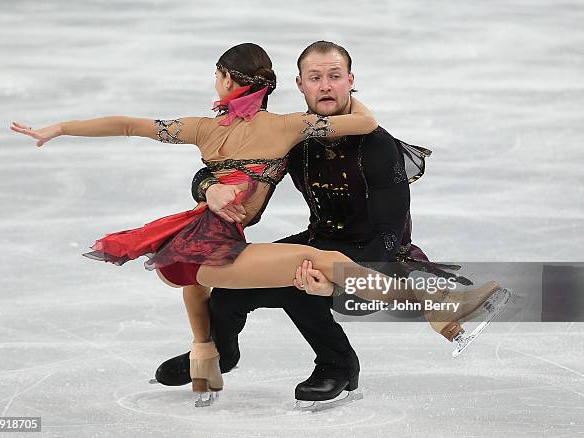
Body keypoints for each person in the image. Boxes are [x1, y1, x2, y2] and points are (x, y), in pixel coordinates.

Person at [153, 41, 506, 406]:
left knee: (299, 279)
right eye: (315, 77)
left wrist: (336, 282)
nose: (325, 85)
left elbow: (388, 234)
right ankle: (220, 353)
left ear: (350, 80)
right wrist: (209, 188)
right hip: (320, 239)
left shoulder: (378, 148)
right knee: (231, 278)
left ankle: (338, 366)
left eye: (334, 76)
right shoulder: (295, 138)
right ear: (300, 84)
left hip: (377, 259)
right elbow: (221, 168)